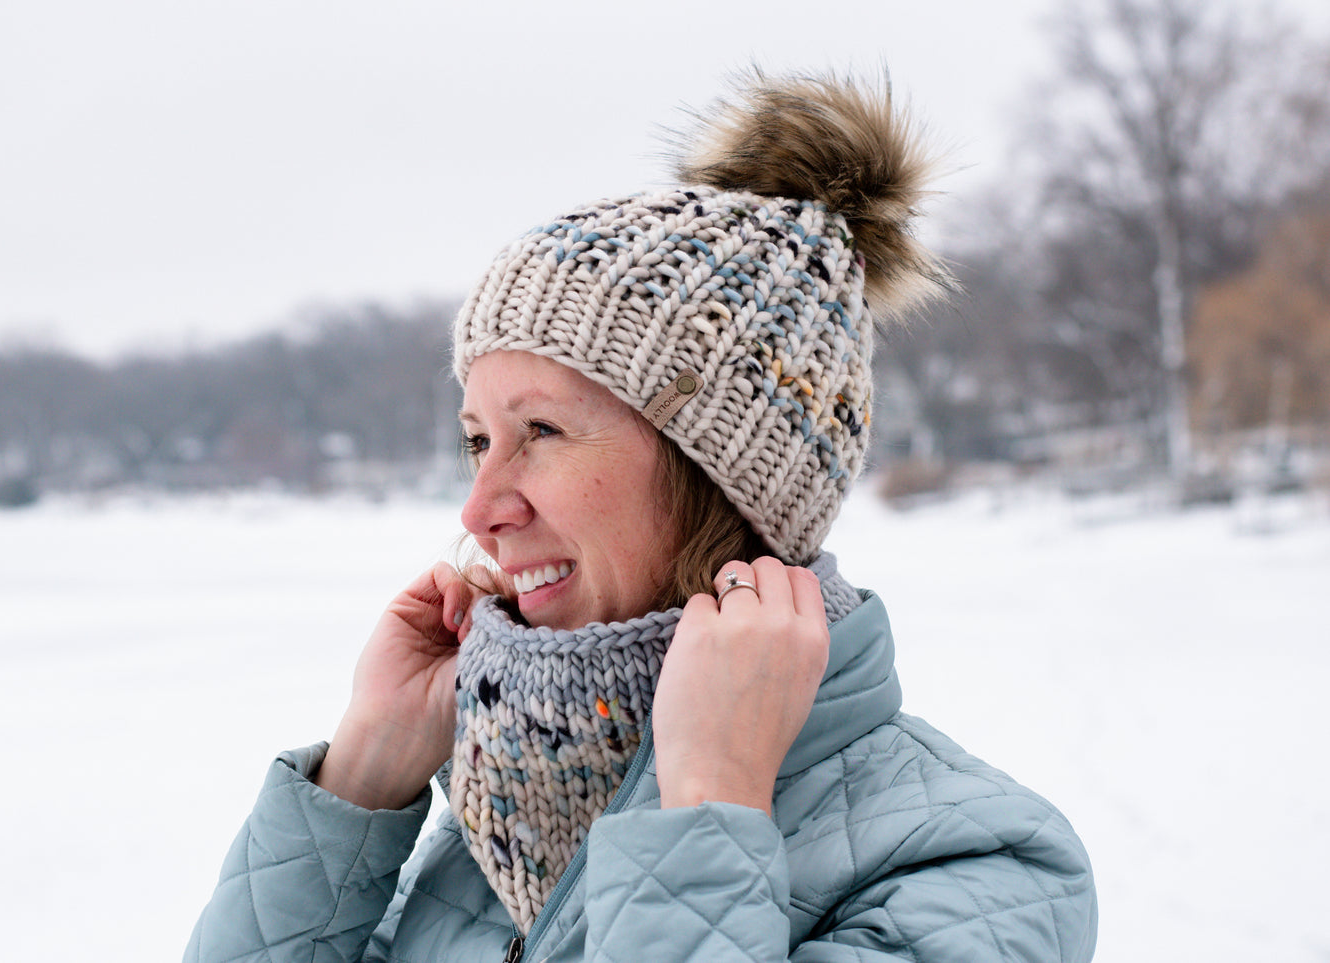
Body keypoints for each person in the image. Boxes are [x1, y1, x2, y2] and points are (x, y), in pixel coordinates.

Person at [185, 71, 1097, 962]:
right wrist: (361, 777)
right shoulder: (494, 830)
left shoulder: (986, 867)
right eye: (476, 439)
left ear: (723, 476)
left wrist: (708, 803)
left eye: (540, 429)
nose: (480, 506)